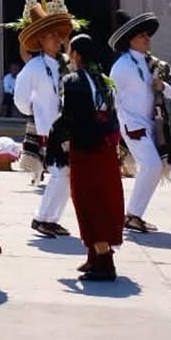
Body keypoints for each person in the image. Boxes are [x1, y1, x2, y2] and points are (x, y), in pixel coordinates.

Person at [59, 33, 124, 282]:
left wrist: (57, 140)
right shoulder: (104, 81)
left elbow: (70, 118)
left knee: (90, 199)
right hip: (105, 147)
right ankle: (94, 254)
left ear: (75, 55)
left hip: (86, 148)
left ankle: (104, 260)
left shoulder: (73, 80)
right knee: (103, 197)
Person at [15, 0, 73, 238]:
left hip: (68, 127)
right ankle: (42, 218)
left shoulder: (67, 64)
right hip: (48, 128)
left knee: (67, 174)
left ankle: (50, 218)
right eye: (51, 36)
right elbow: (20, 99)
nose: (57, 40)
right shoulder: (34, 67)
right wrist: (36, 113)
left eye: (58, 36)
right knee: (60, 173)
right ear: (40, 41)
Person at [108, 11, 166, 234]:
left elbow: (165, 89)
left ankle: (134, 214)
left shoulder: (151, 63)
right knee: (152, 166)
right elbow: (111, 95)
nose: (147, 39)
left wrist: (166, 89)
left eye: (147, 35)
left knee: (153, 167)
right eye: (142, 35)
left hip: (152, 124)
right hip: (133, 125)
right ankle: (132, 214)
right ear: (131, 40)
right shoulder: (122, 66)